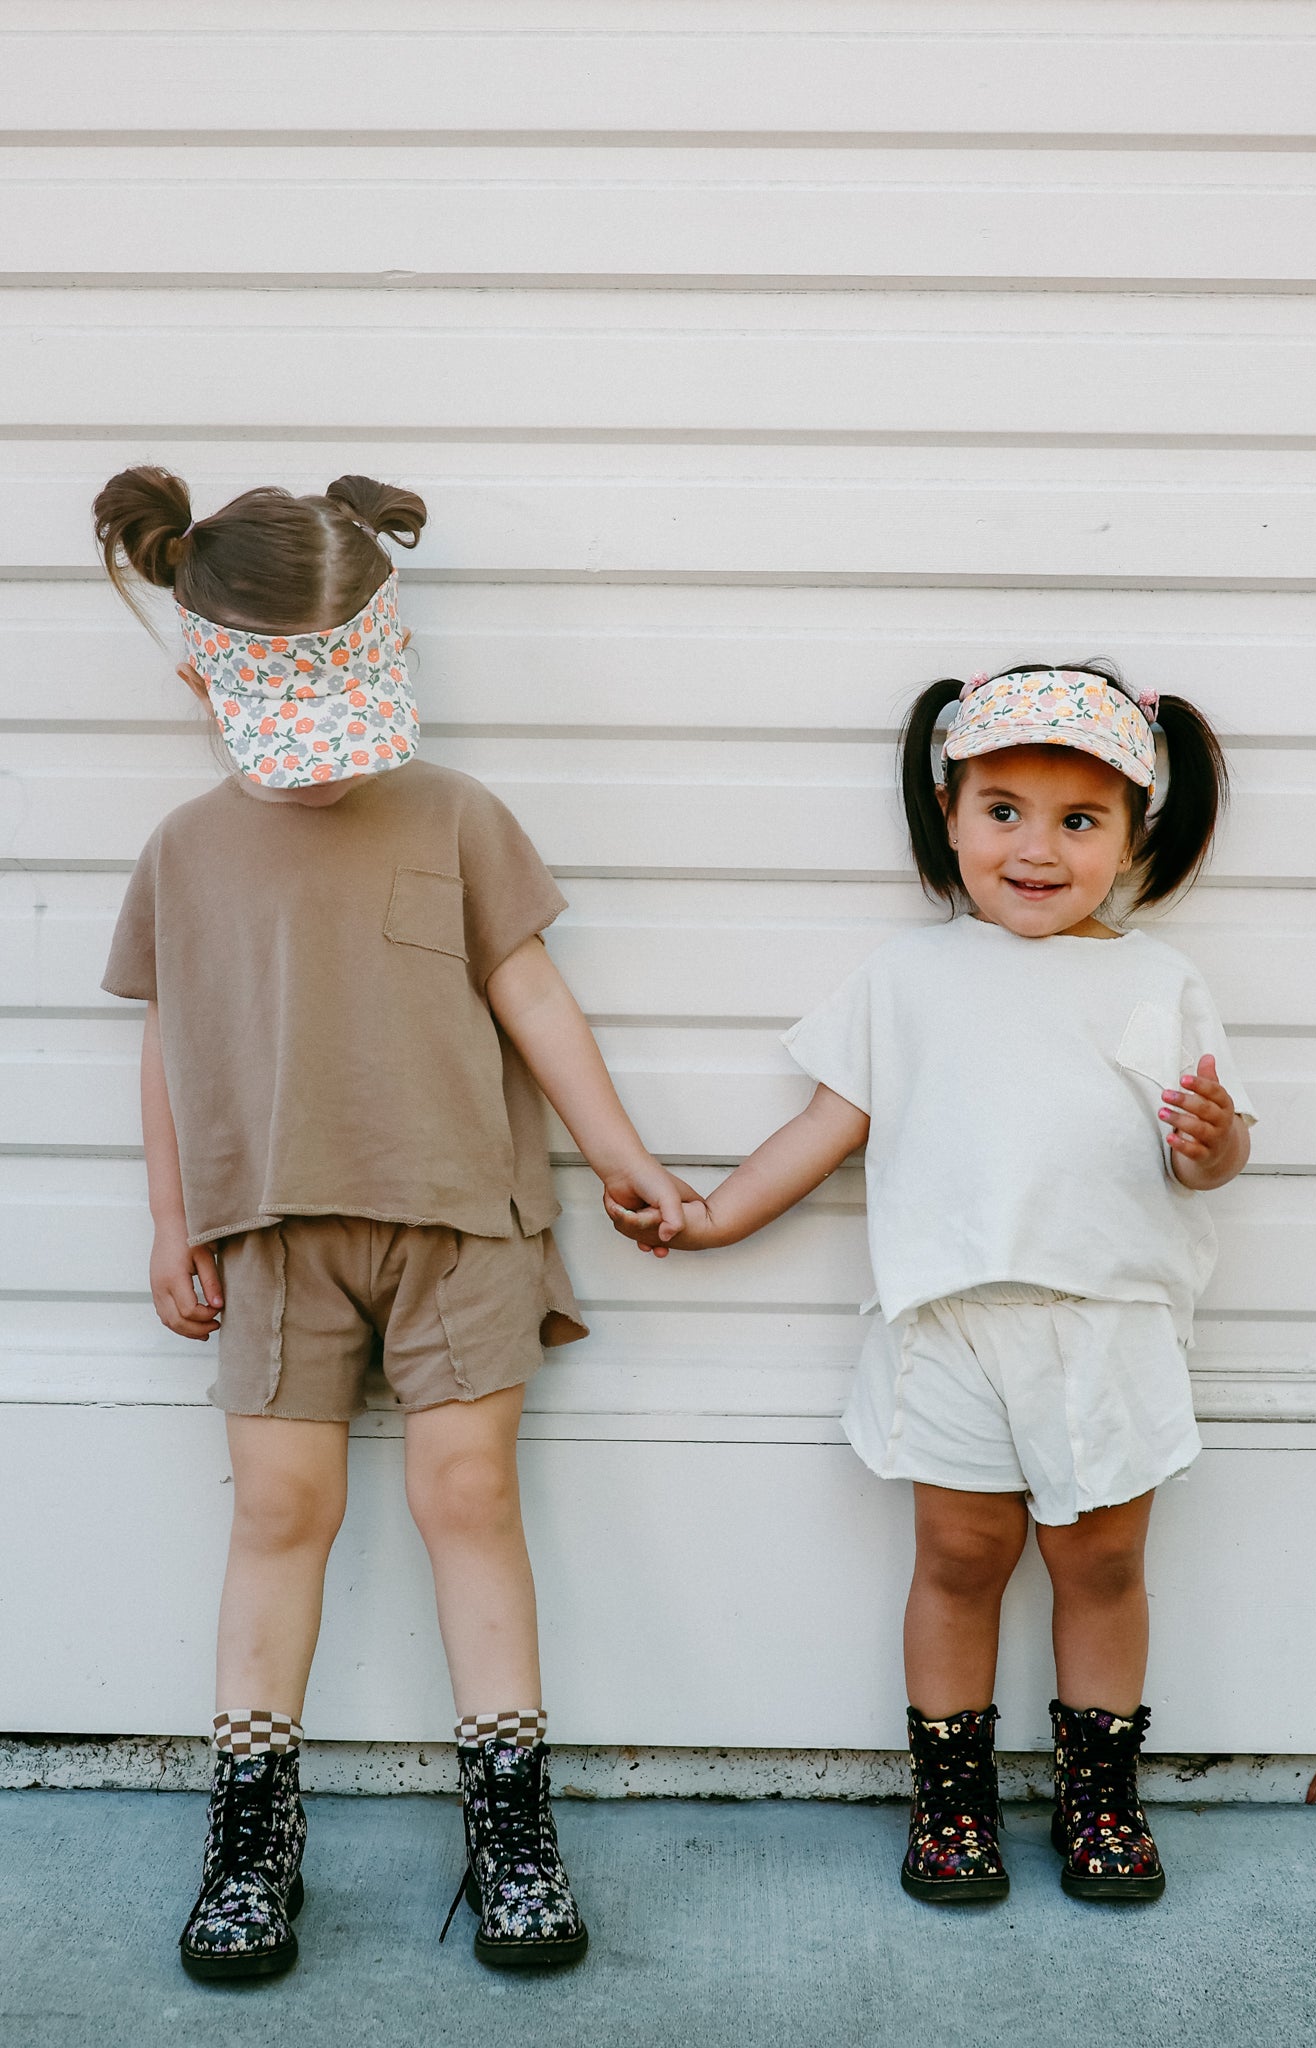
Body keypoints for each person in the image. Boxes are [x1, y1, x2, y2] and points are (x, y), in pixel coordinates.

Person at [94, 467, 685, 1979]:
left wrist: (624, 1159)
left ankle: (511, 1825)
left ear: (387, 658)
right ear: (203, 676)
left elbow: (531, 995)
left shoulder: (457, 814)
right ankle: (250, 1833)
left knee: (467, 1501)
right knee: (278, 1513)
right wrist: (171, 1221)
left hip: (460, 1221)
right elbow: (169, 1044)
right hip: (271, 1231)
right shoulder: (186, 848)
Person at [609, 664, 1253, 1905]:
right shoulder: (904, 981)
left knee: (1103, 1564)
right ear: (948, 812)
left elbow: (1214, 1155)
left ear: (1133, 838)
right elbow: (823, 1126)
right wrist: (710, 1217)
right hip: (950, 1323)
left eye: (1080, 820)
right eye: (1003, 809)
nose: (1036, 847)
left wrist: (1212, 1140)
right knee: (958, 1556)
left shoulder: (1158, 982)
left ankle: (1099, 1791)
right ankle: (951, 1797)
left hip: (1106, 1325)